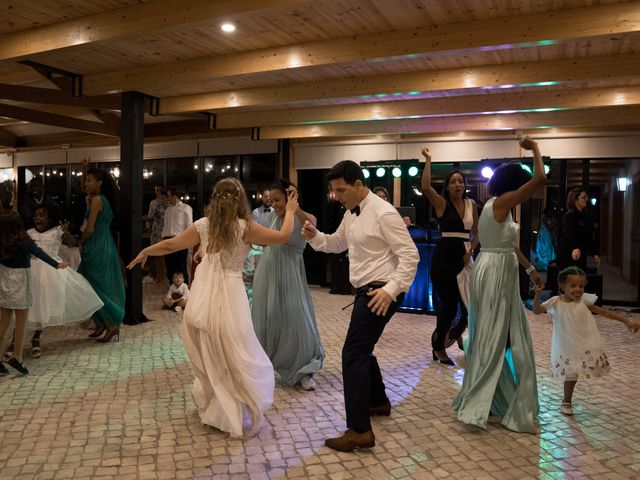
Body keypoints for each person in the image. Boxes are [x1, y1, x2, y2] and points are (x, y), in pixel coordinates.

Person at [127, 178, 299, 438]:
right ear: (240, 201)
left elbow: (171, 244)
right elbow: (284, 236)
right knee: (235, 348)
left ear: (214, 200)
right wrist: (292, 212)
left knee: (211, 347)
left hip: (204, 297)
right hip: (230, 295)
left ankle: (218, 403)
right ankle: (231, 402)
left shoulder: (203, 226)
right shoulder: (246, 228)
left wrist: (146, 251)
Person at [301, 160, 419, 452]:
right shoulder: (351, 213)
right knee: (361, 349)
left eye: (341, 190)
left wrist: (390, 291)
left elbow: (410, 256)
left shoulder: (383, 213)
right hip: (367, 290)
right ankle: (378, 401)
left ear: (358, 184)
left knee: (352, 354)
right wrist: (314, 236)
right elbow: (336, 243)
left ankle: (359, 430)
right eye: (334, 191)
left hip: (379, 291)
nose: (337, 196)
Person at [453, 137, 546, 434]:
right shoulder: (503, 202)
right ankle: (480, 403)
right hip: (494, 273)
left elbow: (507, 246)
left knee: (497, 335)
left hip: (495, 267)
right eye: (521, 185)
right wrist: (535, 150)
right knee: (495, 338)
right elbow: (541, 178)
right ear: (514, 185)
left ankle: (493, 397)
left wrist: (531, 269)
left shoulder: (495, 205)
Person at [533, 266, 639, 416]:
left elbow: (605, 312)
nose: (578, 289)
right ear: (562, 286)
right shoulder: (555, 302)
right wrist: (538, 295)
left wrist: (627, 321)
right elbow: (537, 311)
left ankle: (567, 401)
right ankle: (566, 401)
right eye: (573, 286)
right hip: (565, 343)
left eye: (581, 286)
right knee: (570, 373)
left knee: (574, 372)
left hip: (583, 342)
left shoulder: (584, 301)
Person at [251, 180, 324, 391]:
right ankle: (268, 367)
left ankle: (304, 369)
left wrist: (295, 208)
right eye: (271, 200)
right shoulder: (272, 217)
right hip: (268, 270)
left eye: (277, 200)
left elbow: (312, 225)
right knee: (268, 317)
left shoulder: (304, 217)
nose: (274, 204)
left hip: (291, 272)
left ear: (290, 197)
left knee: (296, 318)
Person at [421, 147, 478, 365]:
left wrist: (470, 251)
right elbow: (426, 186)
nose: (457, 184)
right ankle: (438, 348)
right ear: (448, 185)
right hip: (444, 257)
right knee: (446, 307)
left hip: (464, 257)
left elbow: (478, 232)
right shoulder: (442, 203)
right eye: (453, 181)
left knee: (469, 307)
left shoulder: (471, 204)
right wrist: (429, 160)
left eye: (460, 181)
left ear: (465, 185)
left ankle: (451, 338)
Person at [26, 205, 103, 357]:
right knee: (28, 304)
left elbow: (74, 243)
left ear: (50, 218)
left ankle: (36, 337)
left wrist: (65, 231)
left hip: (51, 271)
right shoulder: (29, 233)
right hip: (32, 271)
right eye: (35, 215)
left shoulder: (57, 231)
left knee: (44, 305)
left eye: (42, 215)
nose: (37, 218)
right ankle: (16, 338)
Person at [0, 211, 68, 376]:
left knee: (4, 321)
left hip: (4, 279)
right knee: (21, 322)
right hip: (21, 279)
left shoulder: (1, 241)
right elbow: (39, 253)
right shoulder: (23, 240)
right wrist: (56, 265)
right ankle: (18, 357)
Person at [78, 168, 126, 344]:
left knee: (94, 286)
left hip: (96, 245)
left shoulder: (97, 200)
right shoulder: (104, 199)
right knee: (95, 285)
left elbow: (90, 228)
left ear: (99, 183)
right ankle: (102, 322)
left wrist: (80, 241)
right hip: (106, 243)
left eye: (89, 180)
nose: (86, 183)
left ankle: (112, 324)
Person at [558, 188, 600, 272]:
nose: (586, 199)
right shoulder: (569, 216)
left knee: (580, 280)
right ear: (575, 200)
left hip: (581, 253)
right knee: (570, 281)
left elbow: (588, 236)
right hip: (569, 253)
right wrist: (574, 247)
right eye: (583, 197)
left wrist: (594, 253)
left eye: (586, 197)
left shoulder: (584, 215)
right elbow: (569, 234)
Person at [161, 189, 193, 284]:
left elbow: (189, 226)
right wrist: (162, 238)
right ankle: (172, 289)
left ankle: (185, 290)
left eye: (169, 196)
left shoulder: (186, 208)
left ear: (174, 196)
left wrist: (187, 240)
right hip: (168, 239)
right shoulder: (168, 209)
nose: (167, 199)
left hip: (180, 240)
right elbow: (165, 225)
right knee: (170, 266)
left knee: (182, 266)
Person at [145, 186, 168, 283]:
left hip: (164, 229)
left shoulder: (167, 203)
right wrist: (148, 226)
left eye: (159, 190)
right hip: (155, 229)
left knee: (161, 253)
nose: (157, 192)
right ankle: (155, 275)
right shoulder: (153, 203)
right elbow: (150, 215)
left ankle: (162, 275)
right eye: (156, 190)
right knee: (154, 253)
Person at [534, 206, 557, 271]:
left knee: (546, 249)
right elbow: (548, 226)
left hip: (544, 234)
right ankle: (545, 265)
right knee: (546, 248)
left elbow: (538, 226)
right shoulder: (544, 217)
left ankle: (545, 264)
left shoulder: (547, 217)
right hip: (545, 234)